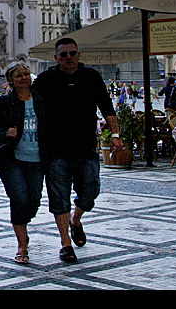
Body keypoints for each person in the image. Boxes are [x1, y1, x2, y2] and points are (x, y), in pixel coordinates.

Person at [32, 38, 121, 264]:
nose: (68, 58)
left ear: (79, 55)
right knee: (59, 197)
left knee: (90, 192)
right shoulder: (45, 80)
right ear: (56, 58)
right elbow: (27, 106)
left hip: (85, 147)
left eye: (72, 53)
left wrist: (116, 135)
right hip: (55, 150)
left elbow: (107, 107)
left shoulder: (91, 77)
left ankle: (76, 219)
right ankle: (65, 244)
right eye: (63, 54)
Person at [0, 63, 47, 265]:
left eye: (26, 74)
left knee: (33, 201)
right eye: (19, 76)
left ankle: (22, 227)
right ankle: (22, 245)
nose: (24, 78)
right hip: (11, 158)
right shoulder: (3, 102)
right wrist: (4, 133)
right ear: (11, 80)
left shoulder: (42, 100)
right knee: (19, 198)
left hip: (37, 158)